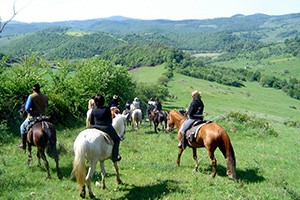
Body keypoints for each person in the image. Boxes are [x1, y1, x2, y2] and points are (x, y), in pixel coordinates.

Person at [90, 94, 122, 162]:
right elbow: (110, 121)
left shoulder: (93, 110)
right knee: (117, 139)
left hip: (94, 127)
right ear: (103, 101)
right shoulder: (107, 109)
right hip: (105, 128)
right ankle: (114, 157)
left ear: (95, 102)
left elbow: (91, 122)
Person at [18, 83, 49, 149]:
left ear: (33, 89)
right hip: (43, 116)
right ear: (39, 88)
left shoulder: (31, 96)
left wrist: (31, 109)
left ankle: (23, 144)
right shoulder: (44, 96)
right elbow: (47, 106)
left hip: (33, 117)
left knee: (22, 127)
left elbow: (27, 108)